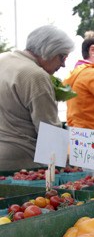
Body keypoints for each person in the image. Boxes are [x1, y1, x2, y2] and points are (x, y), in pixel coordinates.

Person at [0, 25, 75, 171]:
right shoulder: (36, 75)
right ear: (49, 50)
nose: (63, 64)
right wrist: (64, 167)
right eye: (62, 56)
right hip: (21, 163)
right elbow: (49, 128)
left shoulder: (3, 59)